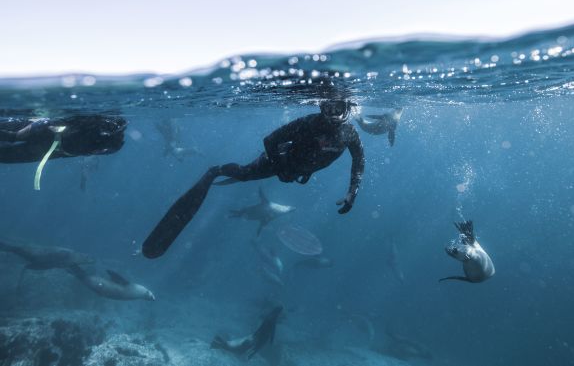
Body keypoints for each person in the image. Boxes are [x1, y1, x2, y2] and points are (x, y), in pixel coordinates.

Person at [142, 98, 365, 259]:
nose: (332, 114)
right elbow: (270, 140)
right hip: (278, 161)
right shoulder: (308, 123)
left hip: (295, 171)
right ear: (321, 107)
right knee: (245, 174)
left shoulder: (350, 134)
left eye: (338, 108)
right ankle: (215, 171)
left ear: (348, 108)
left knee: (247, 176)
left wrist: (352, 191)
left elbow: (359, 160)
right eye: (328, 107)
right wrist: (281, 168)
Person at [0, 115, 126, 163]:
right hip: (44, 136)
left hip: (49, 146)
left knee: (4, 155)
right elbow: (51, 122)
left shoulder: (114, 143)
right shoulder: (113, 141)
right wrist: (15, 136)